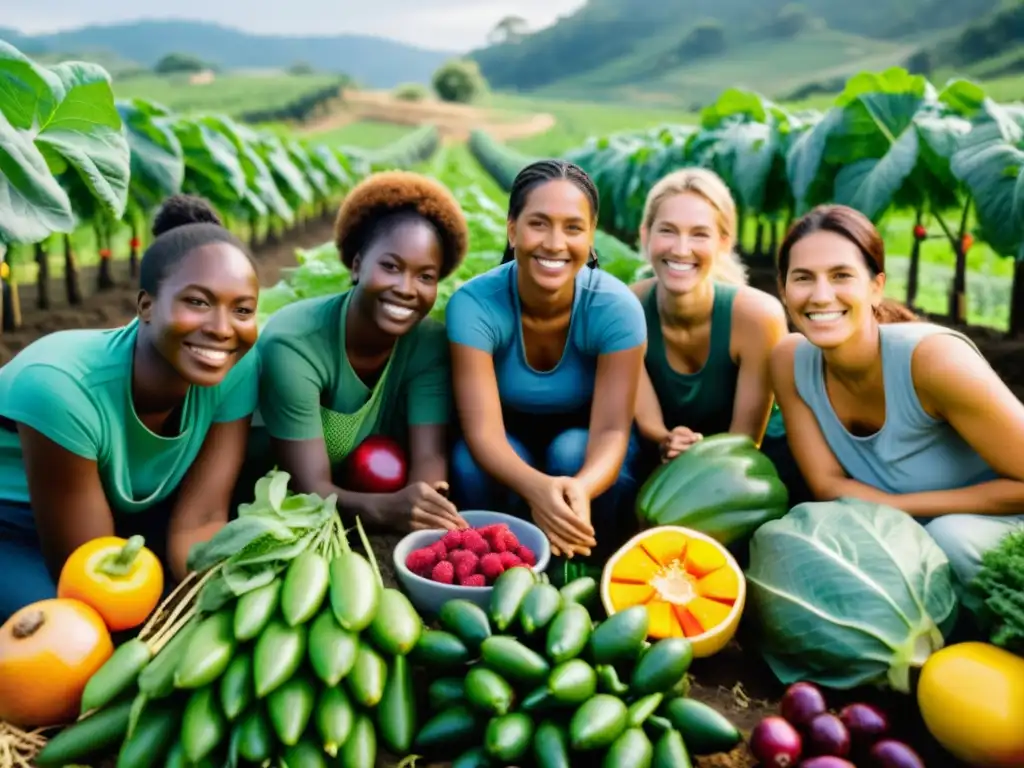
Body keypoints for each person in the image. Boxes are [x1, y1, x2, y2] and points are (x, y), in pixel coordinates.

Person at [0, 195, 261, 623]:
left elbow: (201, 518)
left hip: (117, 515)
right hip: (14, 526)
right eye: (197, 302)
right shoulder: (59, 385)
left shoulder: (238, 364)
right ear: (146, 305)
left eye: (243, 310)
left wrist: (217, 605)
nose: (221, 328)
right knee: (76, 635)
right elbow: (96, 577)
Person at [770, 203, 1024, 590]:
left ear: (876, 287)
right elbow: (827, 487)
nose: (821, 296)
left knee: (948, 537)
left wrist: (899, 509)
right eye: (803, 278)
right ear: (783, 290)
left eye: (841, 276)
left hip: (995, 533)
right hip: (904, 537)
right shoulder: (790, 362)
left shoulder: (933, 361)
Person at [447, 159, 647, 559]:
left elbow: (610, 432)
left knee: (571, 452)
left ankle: (590, 563)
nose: (555, 243)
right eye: (538, 223)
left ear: (591, 237)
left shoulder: (615, 307)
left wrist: (581, 487)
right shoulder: (473, 305)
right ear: (512, 229)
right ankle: (496, 566)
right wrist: (538, 488)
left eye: (573, 227)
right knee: (470, 461)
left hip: (586, 444)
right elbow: (483, 433)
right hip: (504, 442)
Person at [254, 170, 469, 533]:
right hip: (277, 502)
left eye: (426, 276)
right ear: (356, 266)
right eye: (391, 266)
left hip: (363, 493)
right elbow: (310, 490)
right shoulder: (294, 342)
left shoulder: (428, 344)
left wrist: (428, 503)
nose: (406, 288)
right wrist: (389, 510)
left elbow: (428, 455)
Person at [629, 168, 788, 469]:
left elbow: (745, 440)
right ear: (645, 235)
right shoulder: (626, 308)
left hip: (745, 466)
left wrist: (702, 457)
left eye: (699, 234)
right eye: (667, 230)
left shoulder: (758, 318)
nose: (681, 249)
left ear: (724, 243)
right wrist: (667, 438)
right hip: (659, 457)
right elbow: (648, 421)